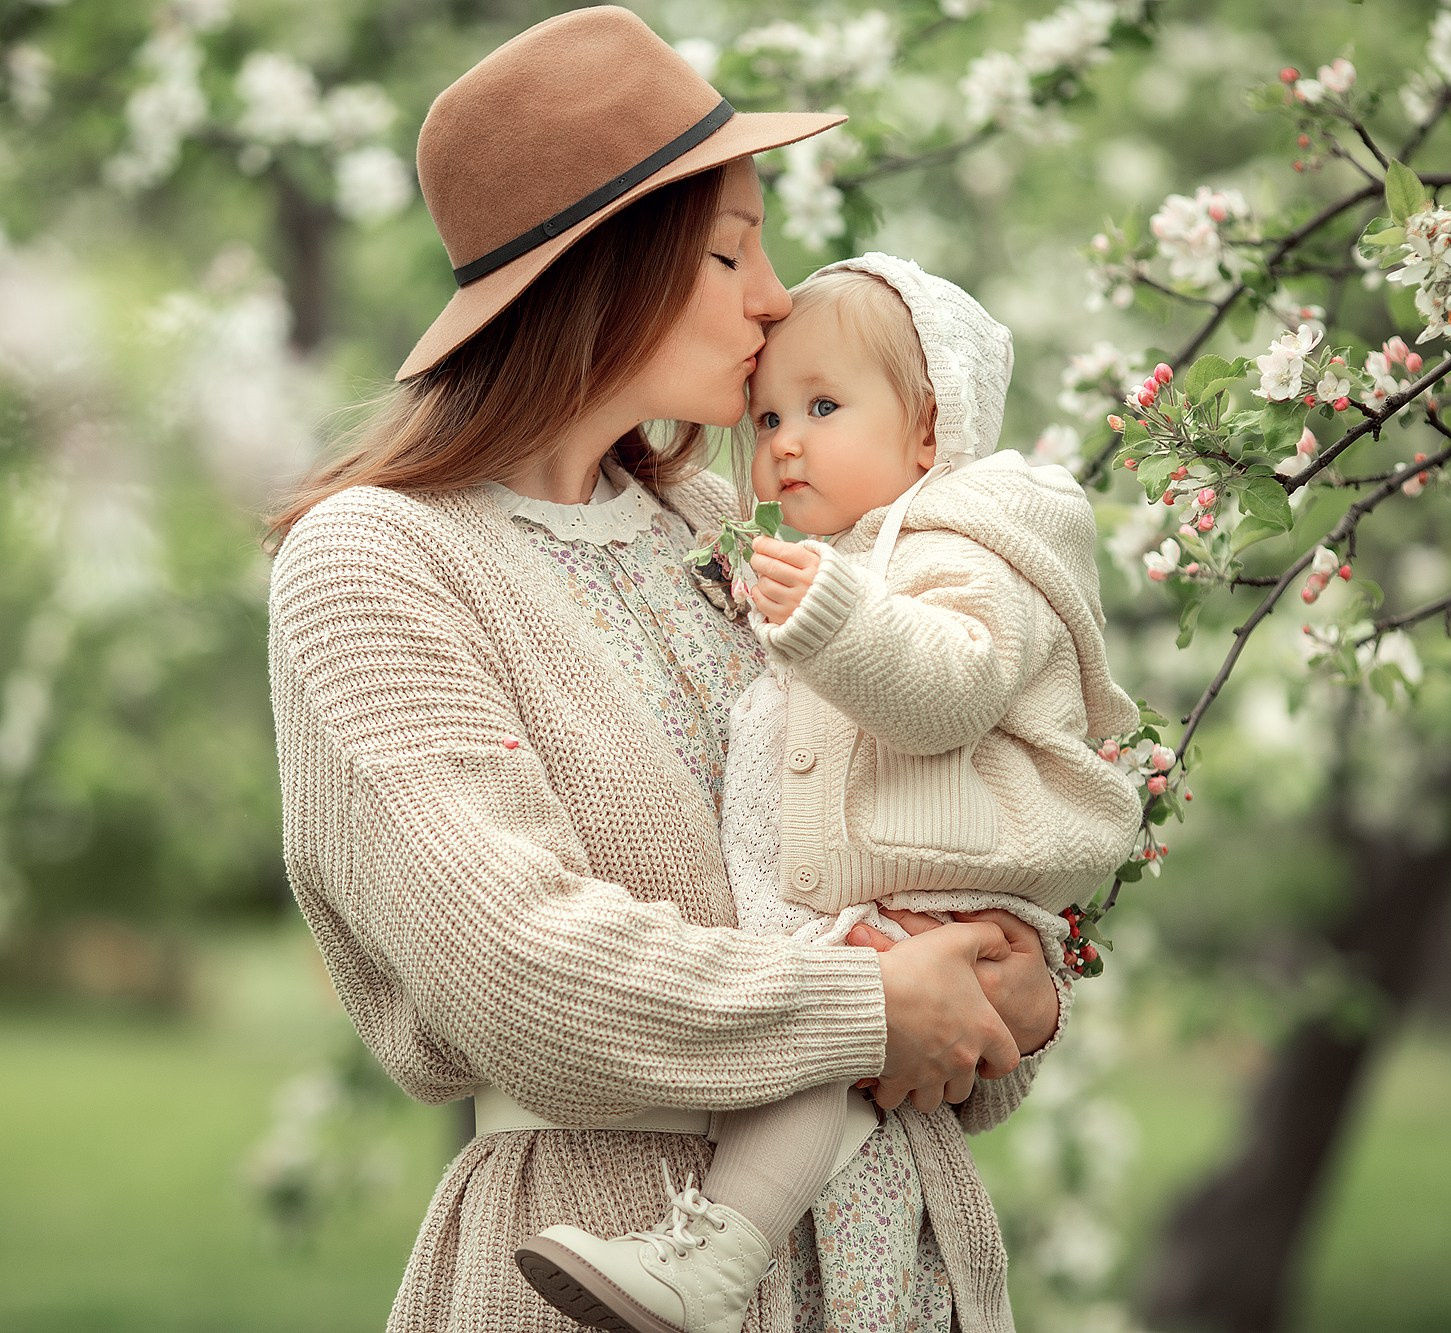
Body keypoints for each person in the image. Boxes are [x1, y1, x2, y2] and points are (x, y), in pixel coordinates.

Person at [265, 9, 1067, 1331]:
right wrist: (869, 1005)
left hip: (893, 1266)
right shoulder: (377, 565)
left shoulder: (729, 540)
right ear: (602, 265)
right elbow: (514, 971)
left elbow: (921, 827)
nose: (774, 296)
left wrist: (1012, 982)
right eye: (730, 250)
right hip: (605, 1250)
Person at [513, 256, 1143, 1332]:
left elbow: (947, 686)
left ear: (930, 430)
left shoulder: (970, 543)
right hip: (873, 932)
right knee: (839, 1029)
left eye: (820, 406)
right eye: (764, 418)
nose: (782, 442)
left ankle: (714, 1253)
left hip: (936, 903)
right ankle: (715, 1256)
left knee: (831, 1043)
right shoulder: (837, 552)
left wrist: (831, 620)